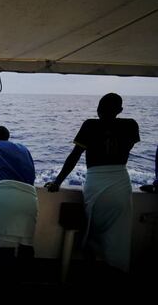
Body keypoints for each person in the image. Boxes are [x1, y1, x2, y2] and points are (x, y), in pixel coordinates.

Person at [45, 93, 140, 273]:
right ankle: (115, 271)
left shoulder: (90, 125)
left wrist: (58, 182)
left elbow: (75, 155)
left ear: (98, 108)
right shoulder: (130, 125)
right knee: (119, 233)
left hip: (95, 182)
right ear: (120, 110)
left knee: (90, 229)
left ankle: (90, 271)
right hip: (121, 181)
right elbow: (128, 146)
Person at [0, 126, 37, 278]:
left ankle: (1, 284)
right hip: (31, 197)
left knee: (3, 247)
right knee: (25, 244)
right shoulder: (23, 148)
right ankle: (24, 280)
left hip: (8, 196)